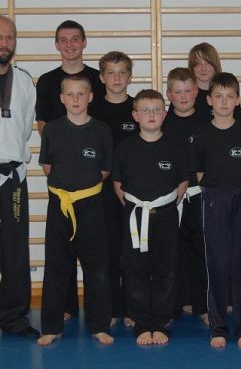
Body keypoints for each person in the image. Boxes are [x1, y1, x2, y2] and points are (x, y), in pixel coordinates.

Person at [35, 20, 105, 320]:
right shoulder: (48, 81)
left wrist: (89, 165)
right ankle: (63, 310)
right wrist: (62, 155)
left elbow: (100, 124)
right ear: (56, 44)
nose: (70, 44)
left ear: (84, 42)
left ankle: (99, 316)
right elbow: (43, 124)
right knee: (59, 256)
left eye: (75, 38)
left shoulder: (96, 79)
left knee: (95, 256)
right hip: (61, 170)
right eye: (63, 39)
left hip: (92, 177)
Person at [37, 74, 113, 346]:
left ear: (90, 97)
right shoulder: (52, 130)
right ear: (62, 98)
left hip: (91, 205)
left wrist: (82, 192)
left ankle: (99, 325)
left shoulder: (101, 130)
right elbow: (48, 168)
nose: (76, 99)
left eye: (81, 93)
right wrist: (68, 192)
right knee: (56, 265)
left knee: (97, 266)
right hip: (60, 205)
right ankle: (51, 326)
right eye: (70, 94)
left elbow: (104, 171)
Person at [113, 89, 188, 345]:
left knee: (166, 269)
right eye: (145, 110)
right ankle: (142, 322)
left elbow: (183, 182)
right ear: (135, 115)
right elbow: (118, 184)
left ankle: (161, 321)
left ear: (165, 114)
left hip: (166, 215)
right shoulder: (125, 147)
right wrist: (136, 207)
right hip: (135, 215)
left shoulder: (175, 147)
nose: (151, 114)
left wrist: (164, 206)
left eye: (157, 109)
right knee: (136, 270)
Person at [191, 72, 241, 349]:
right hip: (213, 199)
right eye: (218, 96)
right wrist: (216, 193)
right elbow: (199, 173)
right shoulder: (202, 134)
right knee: (216, 263)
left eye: (230, 96)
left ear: (238, 100)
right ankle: (218, 326)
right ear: (209, 100)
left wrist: (236, 192)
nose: (224, 101)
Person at [90, 51, 138, 328]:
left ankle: (132, 306)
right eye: (111, 72)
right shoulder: (92, 110)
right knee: (105, 251)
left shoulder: (138, 108)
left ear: (130, 77)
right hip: (100, 191)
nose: (117, 78)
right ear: (101, 77)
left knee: (132, 251)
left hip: (135, 191)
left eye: (122, 72)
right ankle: (109, 307)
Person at [0, 15, 39, 339]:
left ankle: (13, 317)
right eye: (0, 37)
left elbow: (25, 128)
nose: (4, 43)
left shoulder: (24, 81)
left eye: (10, 37)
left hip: (12, 176)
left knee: (15, 249)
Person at [162, 67, 209, 324]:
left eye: (188, 91)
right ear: (169, 94)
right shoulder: (162, 123)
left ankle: (203, 305)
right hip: (171, 198)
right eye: (177, 92)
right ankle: (172, 306)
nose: (183, 96)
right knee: (171, 253)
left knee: (202, 251)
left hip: (200, 194)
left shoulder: (206, 122)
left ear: (196, 92)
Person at [187, 42, 241, 119]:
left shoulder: (228, 91)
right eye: (197, 63)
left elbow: (237, 121)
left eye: (208, 63)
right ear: (192, 67)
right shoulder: (184, 94)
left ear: (215, 65)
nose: (203, 68)